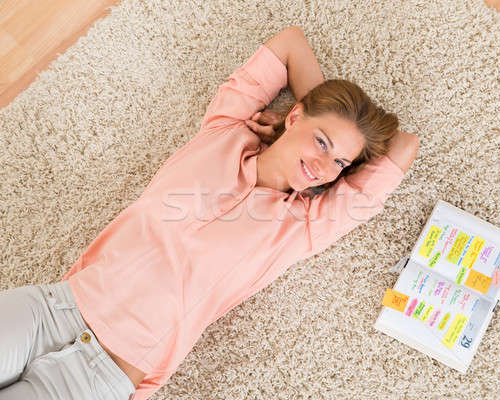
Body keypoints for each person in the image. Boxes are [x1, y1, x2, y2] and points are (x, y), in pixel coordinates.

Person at [0, 26, 418, 400]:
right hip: (55, 307)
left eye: (341, 163)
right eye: (322, 142)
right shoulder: (226, 129)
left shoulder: (306, 225)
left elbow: (404, 146)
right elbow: (291, 42)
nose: (325, 167)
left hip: (104, 372)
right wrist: (322, 115)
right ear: (294, 115)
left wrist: (339, 144)